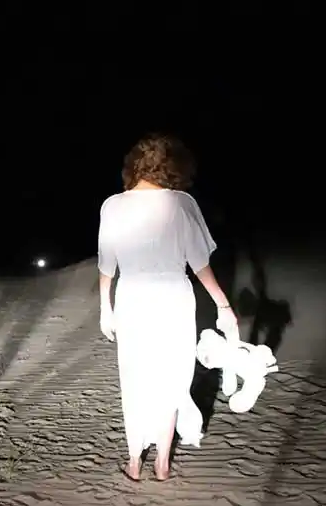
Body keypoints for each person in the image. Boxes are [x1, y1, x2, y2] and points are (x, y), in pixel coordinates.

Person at [97, 133, 238, 482]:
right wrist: (223, 304)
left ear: (133, 166)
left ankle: (134, 461)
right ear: (174, 167)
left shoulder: (112, 205)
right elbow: (200, 263)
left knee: (135, 378)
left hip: (132, 298)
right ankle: (162, 463)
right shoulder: (181, 203)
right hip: (173, 297)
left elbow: (106, 265)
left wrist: (105, 308)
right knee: (172, 378)